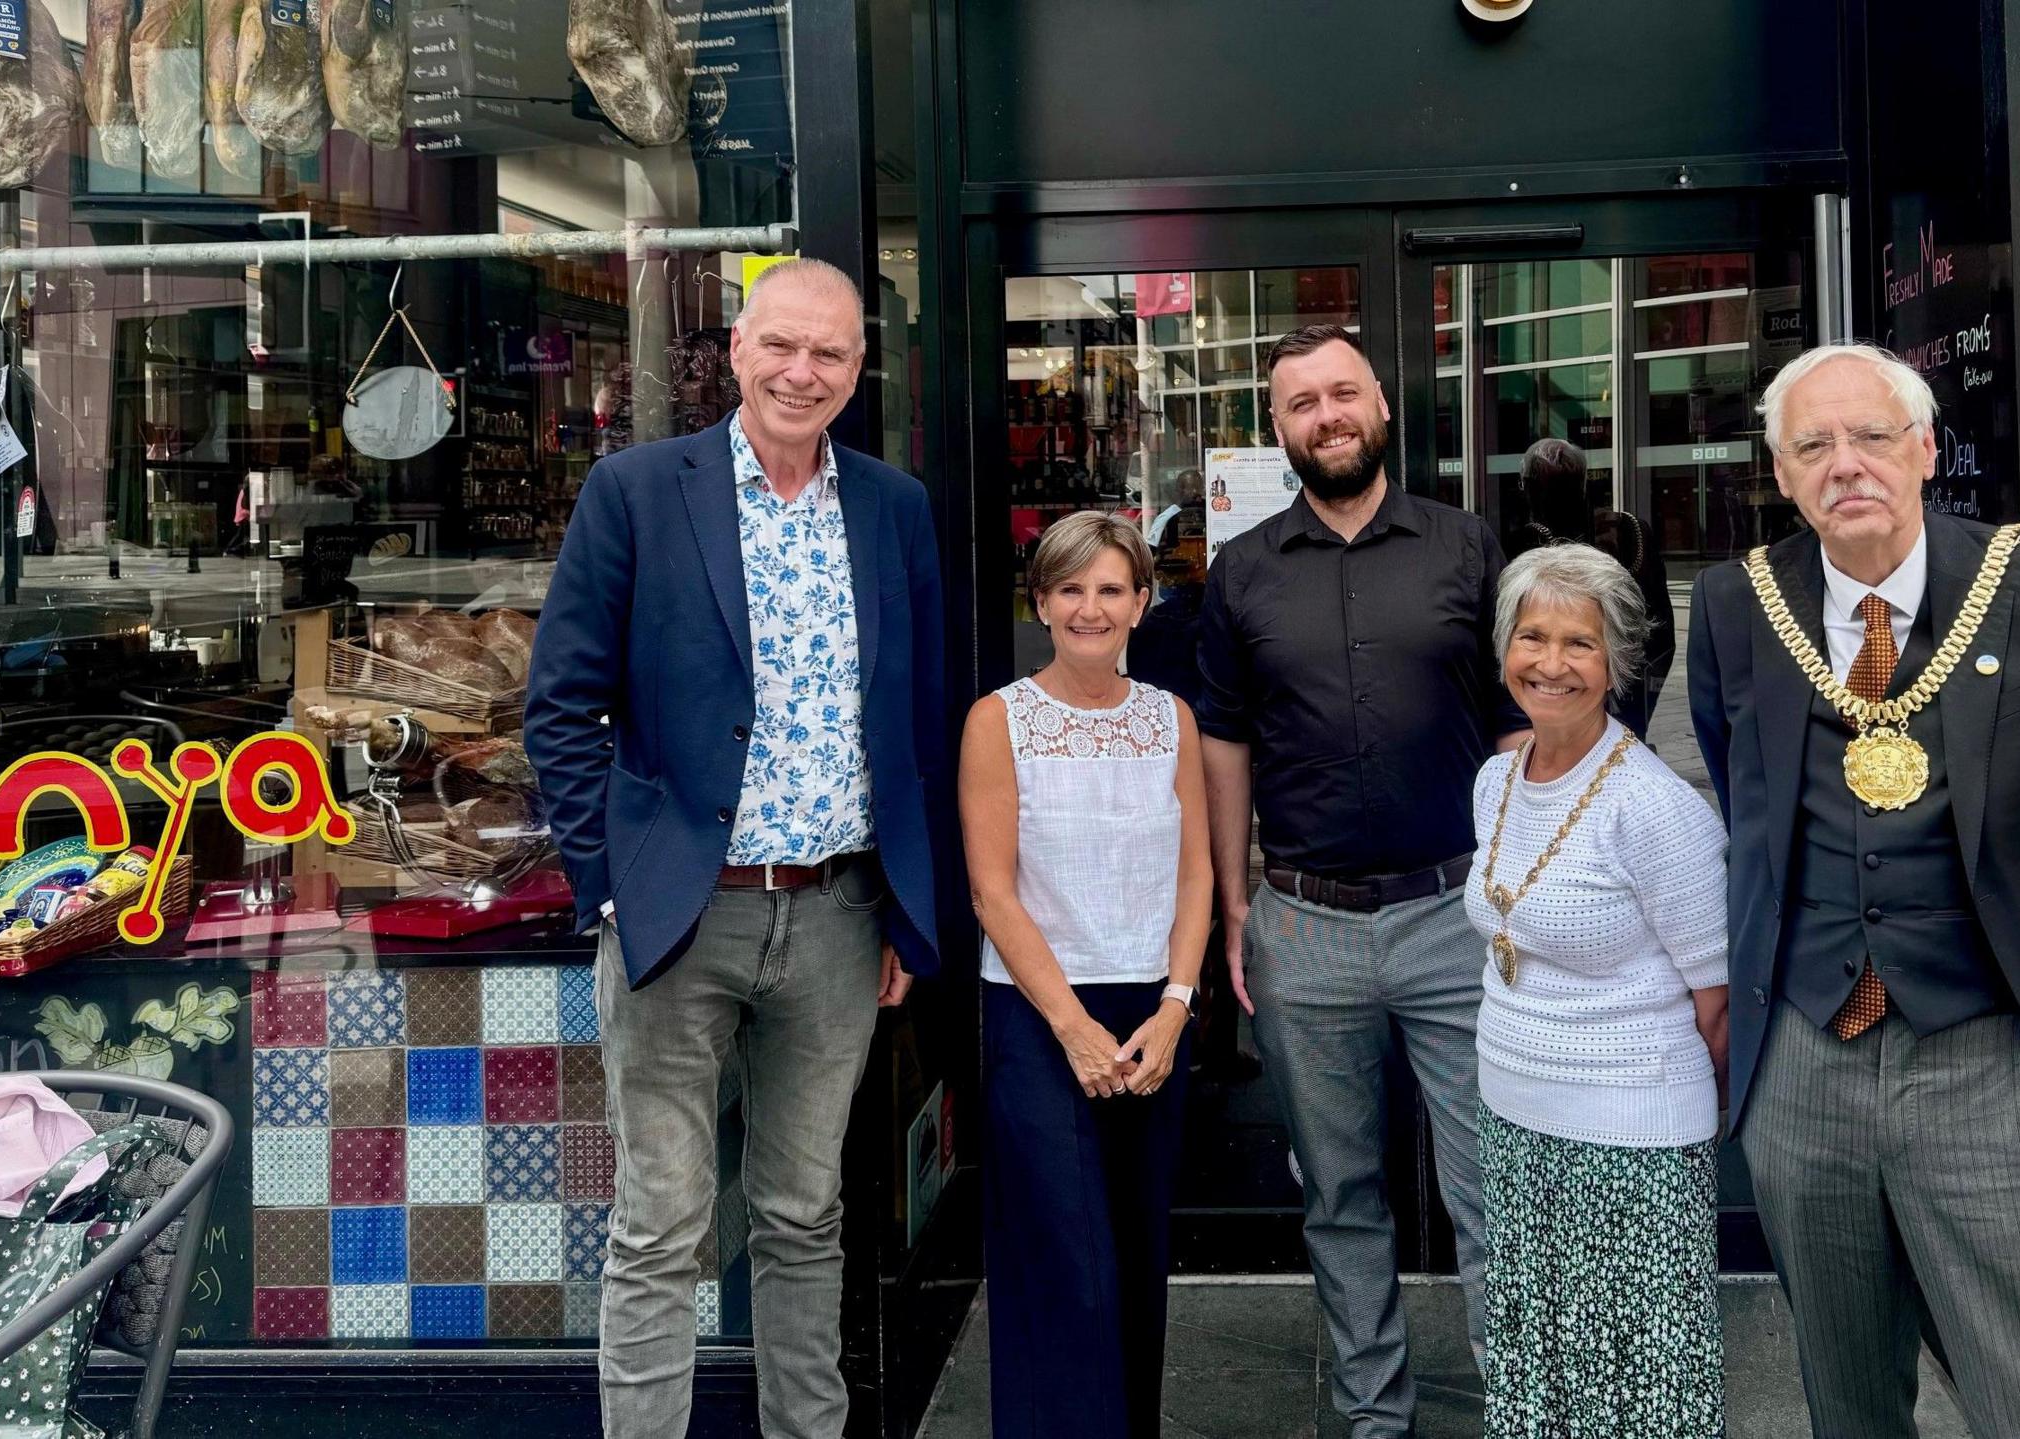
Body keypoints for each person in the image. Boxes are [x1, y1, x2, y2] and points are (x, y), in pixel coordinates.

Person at [525, 258, 948, 1439]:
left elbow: (916, 717)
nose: (801, 372)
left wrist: (907, 907)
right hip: (679, 912)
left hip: (834, 915)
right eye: (782, 347)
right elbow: (560, 706)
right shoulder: (638, 490)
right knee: (661, 1222)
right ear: (738, 350)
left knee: (805, 1211)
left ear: (859, 371)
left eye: (829, 354)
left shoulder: (892, 506)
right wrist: (611, 887)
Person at [1686, 343, 2020, 1437]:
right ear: (1781, 475)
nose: (1848, 464)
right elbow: (1743, 791)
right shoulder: (1736, 605)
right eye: (1813, 446)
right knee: (1848, 1400)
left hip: (1984, 1057)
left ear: (1926, 447)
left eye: (1874, 434)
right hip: (1803, 1059)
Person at [1198, 322, 1523, 1439]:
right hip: (1305, 923)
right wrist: (1234, 903)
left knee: (1492, 1186)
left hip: (1455, 915)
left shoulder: (1465, 545)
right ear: (1277, 427)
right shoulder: (1239, 572)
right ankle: (1372, 1412)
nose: (1326, 415)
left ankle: (1519, 1400)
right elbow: (1225, 742)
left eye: (1343, 393)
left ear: (1379, 405)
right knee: (1337, 1195)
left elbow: (1516, 720)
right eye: (1301, 403)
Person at [1467, 542, 1729, 1437]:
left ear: (1617, 660)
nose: (1551, 663)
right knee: (1536, 1365)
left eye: (1579, 643)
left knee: (1632, 1380)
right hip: (1512, 1123)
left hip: (1630, 1141)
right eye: (1530, 636)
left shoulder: (1656, 808)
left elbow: (1716, 1001)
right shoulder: (1495, 781)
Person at [959, 510, 1211, 1438]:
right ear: (1041, 601)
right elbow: (993, 891)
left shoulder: (1171, 719)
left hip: (1151, 1016)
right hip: (1038, 1016)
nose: (1091, 607)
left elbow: (1198, 873)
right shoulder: (1000, 720)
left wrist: (1178, 1005)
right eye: (1071, 588)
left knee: (1138, 1255)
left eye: (1111, 588)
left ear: (1143, 602)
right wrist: (1069, 1025)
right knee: (1065, 1260)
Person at [1514, 437, 1676, 737]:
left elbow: (1659, 628)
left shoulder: (1530, 541)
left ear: (1530, 487)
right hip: (1625, 687)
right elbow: (1661, 632)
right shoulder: (1631, 528)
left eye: (1528, 483)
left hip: (1602, 688)